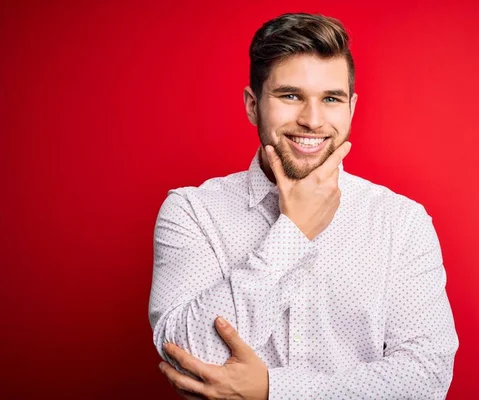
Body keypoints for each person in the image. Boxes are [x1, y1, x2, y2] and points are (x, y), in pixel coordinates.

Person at [149, 12, 458, 400]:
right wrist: (293, 232)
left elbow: (426, 376)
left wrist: (272, 390)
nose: (312, 120)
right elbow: (188, 359)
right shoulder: (192, 211)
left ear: (351, 108)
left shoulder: (401, 222)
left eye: (331, 99)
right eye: (290, 95)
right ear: (252, 105)